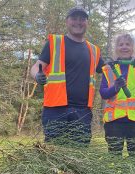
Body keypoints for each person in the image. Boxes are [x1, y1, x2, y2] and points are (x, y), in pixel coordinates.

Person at [30, 7, 104, 145]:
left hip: (82, 111)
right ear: (67, 21)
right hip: (55, 109)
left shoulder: (94, 50)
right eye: (74, 18)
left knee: (79, 154)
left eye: (82, 19)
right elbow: (36, 66)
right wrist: (37, 75)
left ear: (87, 23)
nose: (78, 22)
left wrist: (131, 59)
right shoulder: (55, 43)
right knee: (54, 152)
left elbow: (109, 70)